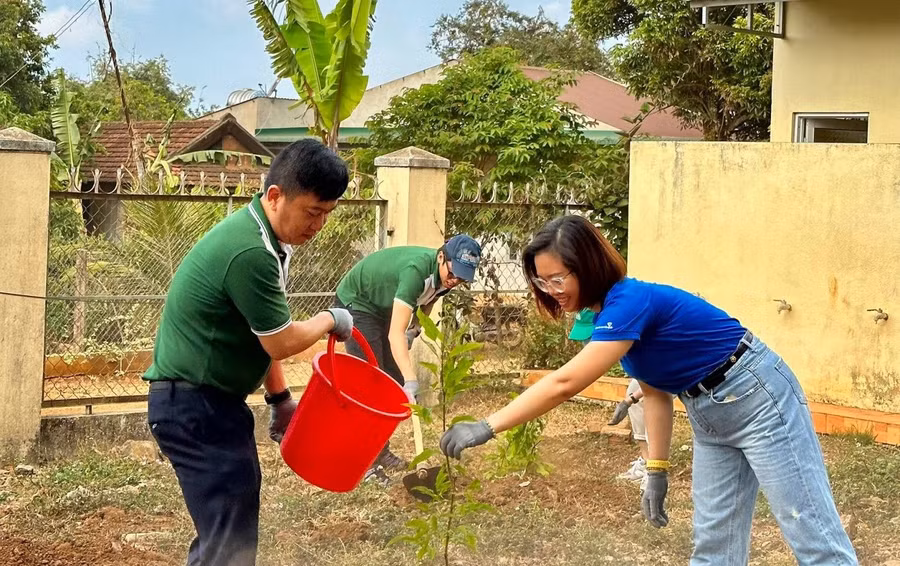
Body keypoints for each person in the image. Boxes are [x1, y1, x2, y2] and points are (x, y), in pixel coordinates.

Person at [439, 215, 858, 565]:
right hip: (708, 411)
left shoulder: (630, 301)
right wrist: (656, 470)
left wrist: (487, 426)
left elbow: (564, 384)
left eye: (557, 278)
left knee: (809, 530)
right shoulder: (610, 314)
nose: (551, 290)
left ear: (586, 265)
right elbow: (656, 391)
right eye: (542, 281)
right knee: (714, 549)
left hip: (757, 396)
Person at [144, 139, 354, 566]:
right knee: (228, 544)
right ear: (275, 196)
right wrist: (330, 320)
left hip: (207, 405)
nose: (319, 225)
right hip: (196, 407)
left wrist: (279, 398)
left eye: (327, 214)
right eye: (313, 212)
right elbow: (281, 340)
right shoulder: (250, 252)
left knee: (228, 529)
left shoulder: (265, 240)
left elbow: (260, 334)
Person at [334, 234, 482, 484]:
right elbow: (394, 335)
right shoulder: (416, 272)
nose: (455, 280)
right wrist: (411, 380)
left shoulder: (446, 278)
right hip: (358, 302)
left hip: (384, 308)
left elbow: (429, 299)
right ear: (441, 257)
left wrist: (414, 328)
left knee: (390, 381)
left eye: (461, 277)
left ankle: (379, 451)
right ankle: (364, 463)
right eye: (454, 272)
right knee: (370, 383)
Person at [571, 309, 648, 482]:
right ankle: (647, 460)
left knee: (645, 398)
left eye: (589, 336)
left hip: (705, 374)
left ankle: (654, 467)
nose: (586, 342)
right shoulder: (621, 343)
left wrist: (630, 400)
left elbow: (660, 380)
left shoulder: (634, 338)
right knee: (635, 389)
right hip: (663, 373)